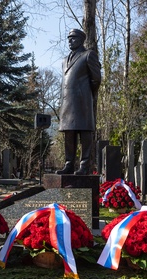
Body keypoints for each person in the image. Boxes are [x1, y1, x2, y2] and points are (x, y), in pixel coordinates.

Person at [56, 29, 101, 175]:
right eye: (69, 38)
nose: (70, 41)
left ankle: (84, 165)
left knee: (85, 133)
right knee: (69, 133)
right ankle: (69, 164)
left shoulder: (88, 55)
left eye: (73, 38)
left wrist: (88, 95)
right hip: (67, 103)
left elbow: (96, 79)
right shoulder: (64, 60)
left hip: (82, 102)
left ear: (81, 40)